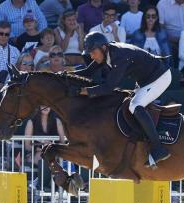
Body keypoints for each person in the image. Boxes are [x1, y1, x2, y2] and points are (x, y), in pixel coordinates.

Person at [70, 32, 173, 166]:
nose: (91, 56)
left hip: (160, 77)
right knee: (126, 104)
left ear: (103, 47)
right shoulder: (107, 52)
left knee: (135, 105)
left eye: (93, 52)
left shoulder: (119, 56)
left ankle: (158, 148)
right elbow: (87, 72)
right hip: (146, 80)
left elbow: (108, 87)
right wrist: (65, 74)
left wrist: (81, 91)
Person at [23, 105, 66, 183]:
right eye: (43, 105)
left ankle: (44, 183)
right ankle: (45, 184)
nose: (46, 107)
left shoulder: (57, 121)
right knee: (43, 156)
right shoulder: (31, 122)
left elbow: (62, 143)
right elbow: (27, 146)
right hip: (36, 154)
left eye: (48, 105)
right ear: (38, 107)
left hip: (54, 153)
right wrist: (39, 148)